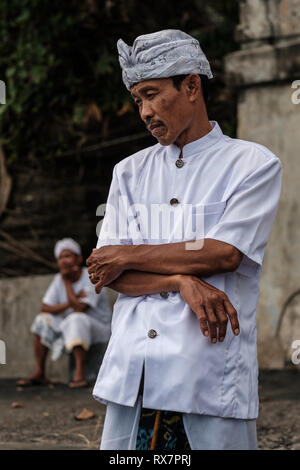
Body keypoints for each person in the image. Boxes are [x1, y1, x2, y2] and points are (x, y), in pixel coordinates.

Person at [87, 29, 282, 449]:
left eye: (153, 94)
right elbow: (108, 271)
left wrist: (130, 255)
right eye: (138, 99)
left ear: (191, 85)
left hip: (205, 372)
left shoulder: (252, 164)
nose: (144, 111)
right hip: (135, 373)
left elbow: (224, 252)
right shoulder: (129, 171)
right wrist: (180, 281)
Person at [17, 238, 112, 389]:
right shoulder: (59, 279)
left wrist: (67, 285)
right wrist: (69, 297)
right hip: (71, 325)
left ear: (79, 258)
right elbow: (45, 308)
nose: (64, 260)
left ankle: (79, 374)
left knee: (76, 319)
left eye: (67, 255)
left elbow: (80, 309)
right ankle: (40, 372)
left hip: (98, 330)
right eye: (60, 257)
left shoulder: (91, 276)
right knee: (42, 320)